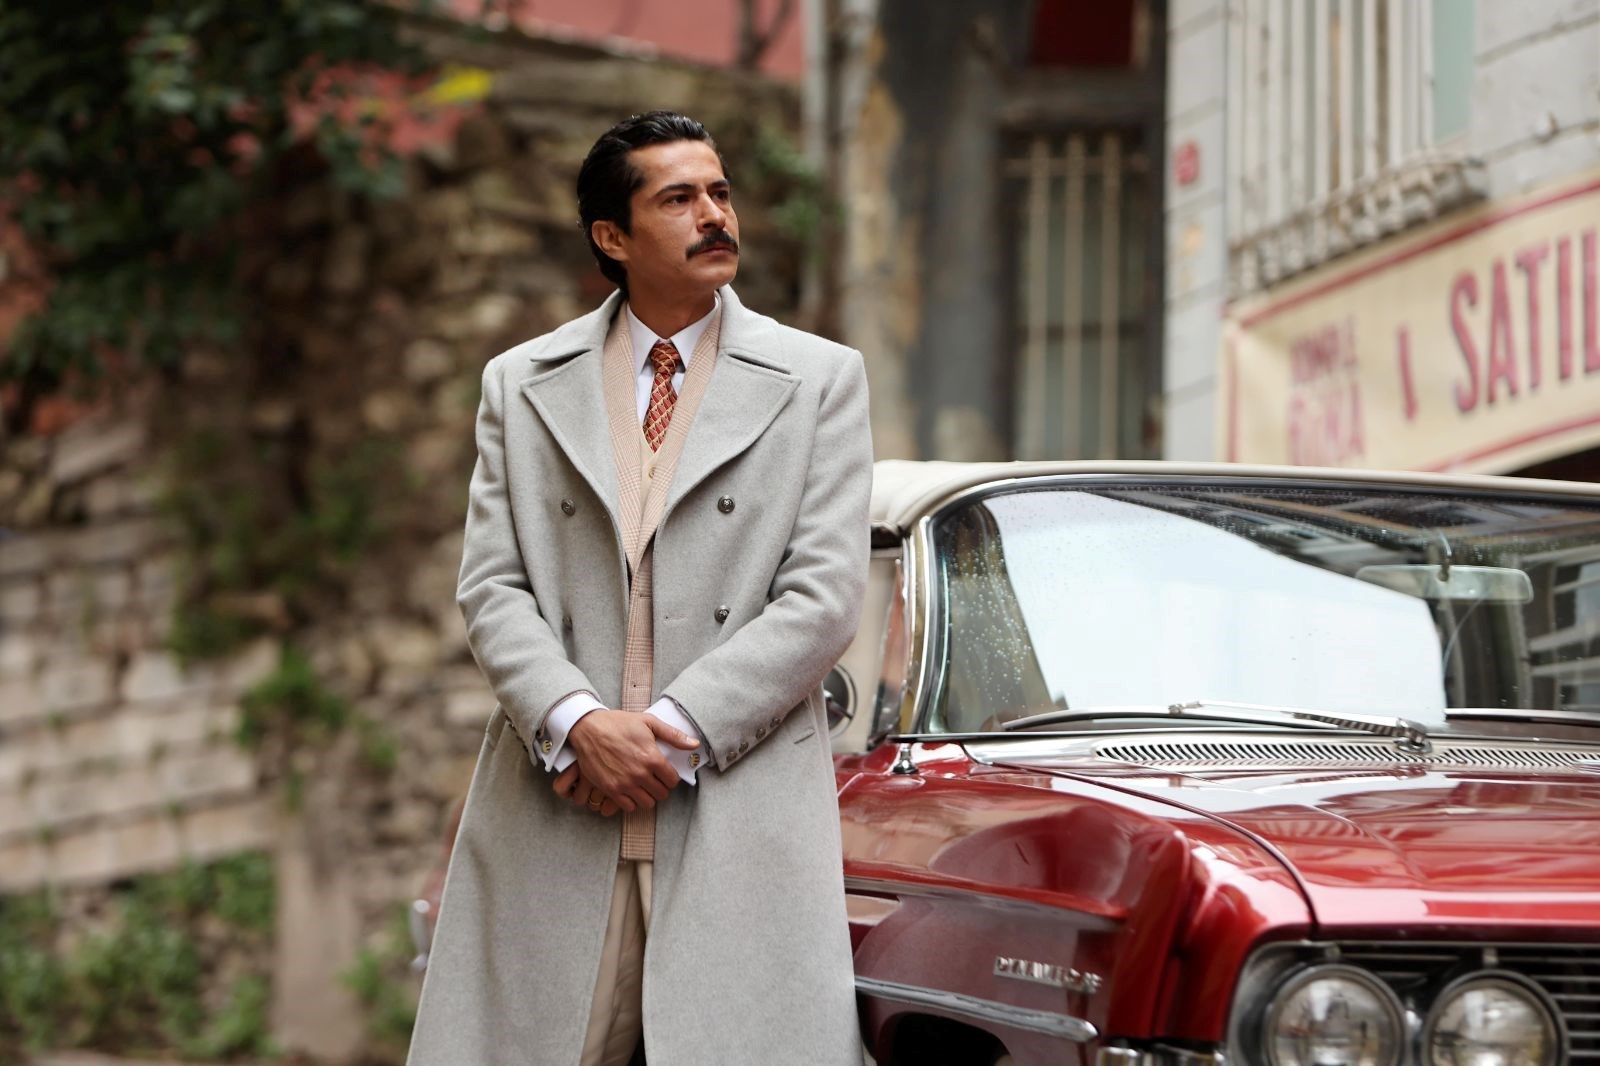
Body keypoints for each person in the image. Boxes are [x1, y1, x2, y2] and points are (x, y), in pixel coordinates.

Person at [406, 111, 872, 1066]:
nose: (714, 216)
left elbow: (823, 597)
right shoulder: (520, 383)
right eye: (678, 199)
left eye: (720, 193)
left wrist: (664, 736)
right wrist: (579, 721)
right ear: (611, 237)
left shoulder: (820, 378)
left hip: (735, 797)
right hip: (563, 798)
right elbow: (492, 585)